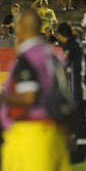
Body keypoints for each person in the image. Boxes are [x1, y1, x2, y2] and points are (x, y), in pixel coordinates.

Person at [0, 10, 70, 171]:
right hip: (54, 132)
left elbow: (29, 97)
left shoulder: (28, 57)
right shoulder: (54, 55)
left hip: (30, 134)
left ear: (23, 27)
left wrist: (4, 97)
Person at [56, 22, 86, 164]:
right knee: (79, 121)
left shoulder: (70, 46)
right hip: (82, 87)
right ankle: (80, 152)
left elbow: (61, 64)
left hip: (77, 90)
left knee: (72, 121)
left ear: (61, 35)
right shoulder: (79, 43)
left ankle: (73, 152)